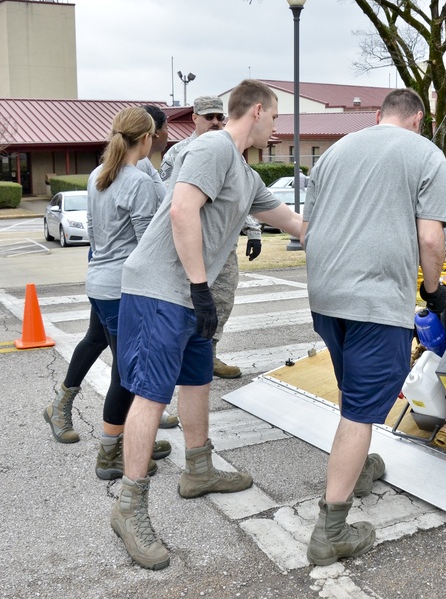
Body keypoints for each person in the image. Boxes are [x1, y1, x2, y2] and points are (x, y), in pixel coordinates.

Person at [109, 80, 303, 571]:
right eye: (275, 118)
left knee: (196, 378)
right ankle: (129, 507)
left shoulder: (243, 170)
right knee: (152, 394)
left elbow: (293, 223)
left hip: (191, 295)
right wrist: (200, 287)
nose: (277, 128)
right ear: (257, 111)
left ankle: (198, 469)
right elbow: (181, 208)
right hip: (161, 289)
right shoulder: (213, 146)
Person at [301, 88, 446, 566]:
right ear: (418, 120)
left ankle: (359, 465)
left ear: (378, 115)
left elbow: (309, 228)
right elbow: (431, 237)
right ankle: (331, 531)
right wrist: (434, 291)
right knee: (362, 412)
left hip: (326, 295)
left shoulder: (336, 151)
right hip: (375, 300)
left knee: (354, 392)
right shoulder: (425, 153)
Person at [42, 107, 178, 448]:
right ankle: (117, 447)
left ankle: (78, 413)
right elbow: (148, 247)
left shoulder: (98, 173)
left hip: (99, 280)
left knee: (102, 346)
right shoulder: (138, 181)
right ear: (147, 138)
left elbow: (91, 228)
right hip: (122, 288)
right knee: (125, 371)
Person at [160, 95, 262, 379]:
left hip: (223, 245)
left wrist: (253, 231)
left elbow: (242, 196)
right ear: (195, 118)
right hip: (188, 245)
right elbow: (168, 201)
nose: (216, 122)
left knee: (223, 299)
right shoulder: (178, 153)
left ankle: (209, 354)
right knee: (185, 304)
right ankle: (180, 358)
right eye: (209, 117)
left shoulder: (232, 151)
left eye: (220, 117)